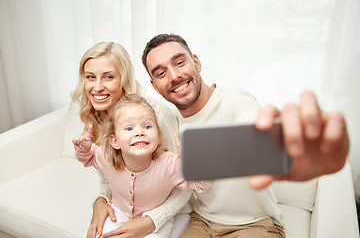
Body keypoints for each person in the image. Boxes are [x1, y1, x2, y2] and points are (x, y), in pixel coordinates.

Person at [92, 34, 349, 237]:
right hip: (201, 223)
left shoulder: (233, 102)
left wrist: (284, 142)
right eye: (160, 73)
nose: (174, 76)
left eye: (180, 62)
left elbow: (253, 126)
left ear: (197, 62)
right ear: (154, 86)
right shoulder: (162, 122)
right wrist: (102, 199)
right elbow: (126, 141)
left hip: (254, 225)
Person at [72, 42, 193, 238]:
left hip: (167, 213)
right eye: (90, 77)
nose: (97, 87)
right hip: (125, 210)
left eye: (108, 77)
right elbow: (109, 177)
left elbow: (182, 184)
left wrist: (150, 221)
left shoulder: (156, 115)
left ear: (123, 79)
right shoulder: (95, 118)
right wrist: (101, 200)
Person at [73, 94, 211, 238]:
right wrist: (83, 149)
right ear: (115, 141)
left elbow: (201, 185)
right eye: (128, 128)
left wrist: (194, 166)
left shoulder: (169, 164)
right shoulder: (106, 156)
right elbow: (88, 157)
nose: (139, 132)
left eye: (147, 126)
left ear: (158, 137)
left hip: (154, 220)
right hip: (118, 214)